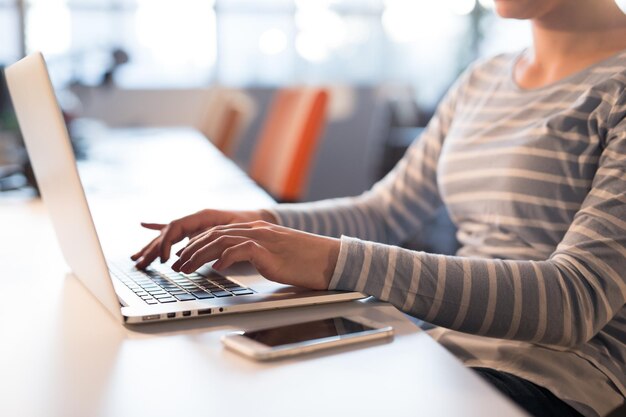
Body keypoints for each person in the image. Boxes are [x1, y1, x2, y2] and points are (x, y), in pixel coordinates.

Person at [132, 0, 626, 416]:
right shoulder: (484, 79)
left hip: (552, 379)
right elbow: (385, 212)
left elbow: (576, 300)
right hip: (438, 348)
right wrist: (262, 226)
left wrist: (335, 261)